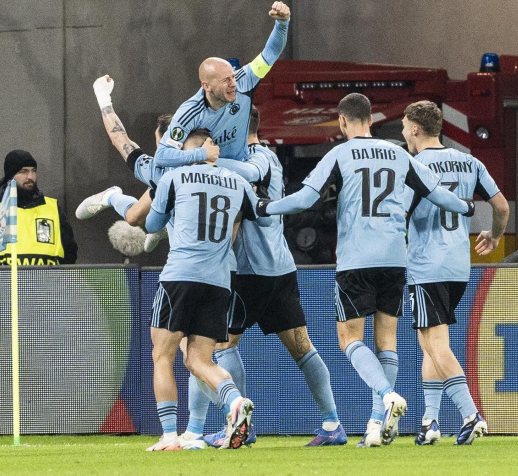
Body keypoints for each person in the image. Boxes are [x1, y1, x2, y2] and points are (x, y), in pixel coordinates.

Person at [256, 93, 474, 447]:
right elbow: (436, 192)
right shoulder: (398, 153)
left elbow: (305, 199)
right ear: (370, 119)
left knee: (349, 339)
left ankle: (387, 395)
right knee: (386, 340)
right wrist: (464, 206)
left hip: (357, 259)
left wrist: (266, 207)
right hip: (395, 259)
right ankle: (376, 427)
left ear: (343, 122)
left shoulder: (340, 154)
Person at [186, 106, 347, 447]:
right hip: (280, 267)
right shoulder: (260, 157)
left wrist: (201, 158)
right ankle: (333, 424)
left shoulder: (258, 156)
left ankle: (240, 429)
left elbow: (248, 172)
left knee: (221, 346)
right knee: (302, 348)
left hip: (250, 271)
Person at [142, 134, 272, 451]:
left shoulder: (174, 177)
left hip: (180, 278)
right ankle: (235, 402)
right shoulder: (236, 181)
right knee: (200, 359)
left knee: (163, 355)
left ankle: (170, 436)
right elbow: (258, 215)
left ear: (189, 150)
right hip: (218, 280)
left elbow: (151, 223)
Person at [401, 101, 510, 445]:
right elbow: (502, 206)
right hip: (458, 267)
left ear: (415, 129)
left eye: (404, 127)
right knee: (432, 345)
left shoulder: (413, 165)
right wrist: (494, 234)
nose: (404, 134)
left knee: (434, 343)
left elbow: (399, 213)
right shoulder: (470, 161)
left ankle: (470, 414)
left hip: (425, 265)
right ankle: (430, 422)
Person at [77, 75, 217, 253]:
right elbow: (120, 140)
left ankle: (162, 225)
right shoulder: (163, 171)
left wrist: (103, 98)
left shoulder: (217, 165)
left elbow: (119, 139)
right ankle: (112, 197)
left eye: (158, 141)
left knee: (135, 217)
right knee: (134, 218)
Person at [153, 1, 290, 167]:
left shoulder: (243, 81)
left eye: (232, 76)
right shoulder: (190, 112)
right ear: (206, 86)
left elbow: (270, 54)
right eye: (226, 80)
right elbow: (162, 156)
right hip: (209, 177)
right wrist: (203, 153)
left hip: (241, 175)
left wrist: (282, 24)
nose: (234, 84)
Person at [0, 150, 78, 266]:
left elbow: (70, 252)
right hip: (6, 284)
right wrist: (1, 280)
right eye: (24, 171)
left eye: (33, 171)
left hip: (48, 283)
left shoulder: (53, 208)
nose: (31, 177)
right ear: (9, 179)